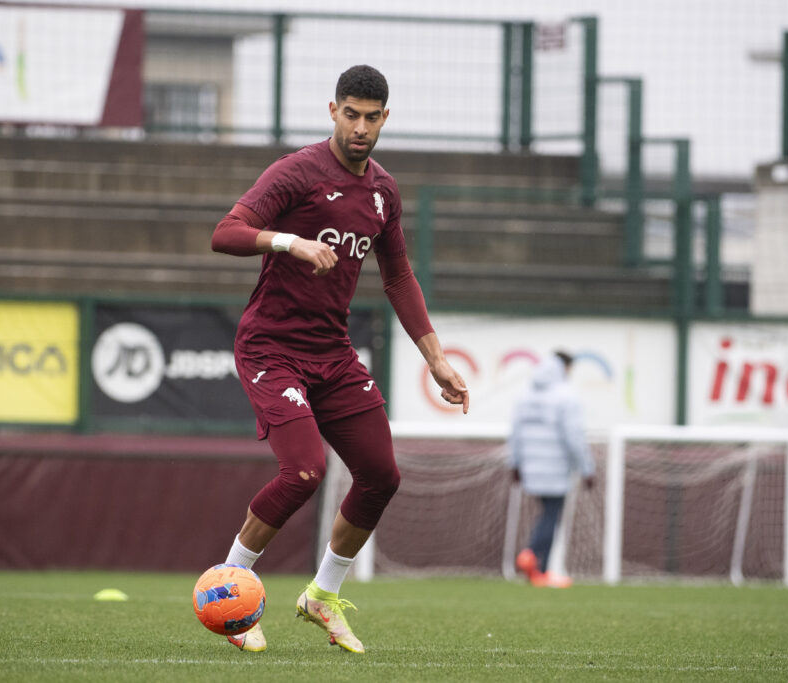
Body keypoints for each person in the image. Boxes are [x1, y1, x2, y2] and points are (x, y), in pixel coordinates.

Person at [210, 64, 469, 653]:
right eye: (350, 114)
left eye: (371, 117)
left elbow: (398, 276)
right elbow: (226, 232)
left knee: (381, 476)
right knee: (304, 470)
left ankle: (321, 596)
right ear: (333, 111)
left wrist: (436, 359)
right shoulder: (297, 172)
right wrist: (290, 242)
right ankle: (229, 592)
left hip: (332, 353)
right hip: (271, 347)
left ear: (385, 118)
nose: (360, 128)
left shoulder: (384, 191)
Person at [507, 350, 595, 588]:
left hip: (531, 465)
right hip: (556, 466)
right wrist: (586, 468)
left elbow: (515, 431)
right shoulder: (567, 395)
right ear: (565, 368)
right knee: (551, 514)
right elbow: (574, 436)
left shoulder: (525, 394)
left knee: (546, 512)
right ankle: (532, 556)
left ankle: (539, 571)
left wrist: (515, 463)